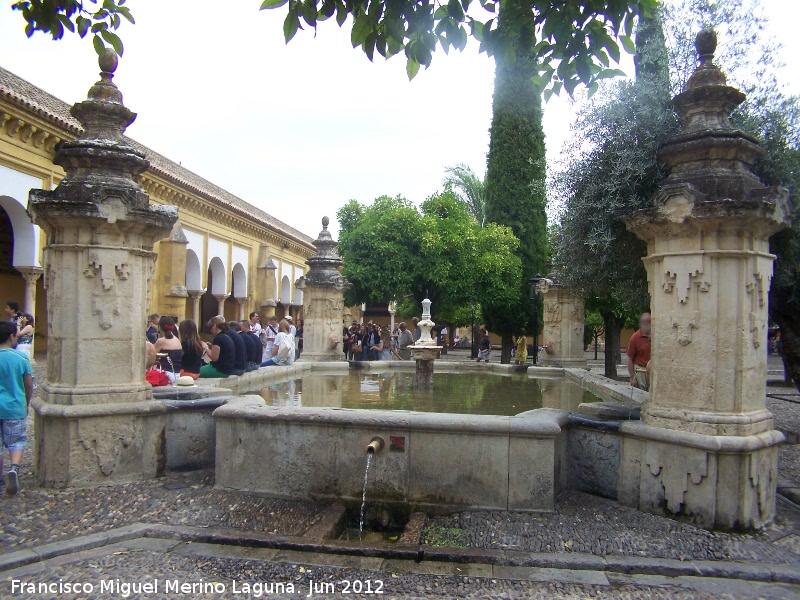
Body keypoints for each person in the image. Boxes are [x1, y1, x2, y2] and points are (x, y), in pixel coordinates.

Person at [0, 321, 33, 495]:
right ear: (12, 336)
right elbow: (29, 385)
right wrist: (26, 402)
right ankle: (14, 468)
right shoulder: (21, 358)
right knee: (17, 440)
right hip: (14, 407)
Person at [153, 316, 182, 382]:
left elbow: (151, 357)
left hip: (167, 374)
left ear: (160, 327)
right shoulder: (177, 340)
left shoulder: (161, 341)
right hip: (177, 374)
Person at [627, 312, 652, 390]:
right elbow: (629, 358)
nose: (646, 323)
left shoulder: (655, 336)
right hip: (640, 369)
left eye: (648, 321)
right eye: (644, 321)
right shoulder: (635, 337)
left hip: (652, 369)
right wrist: (632, 377)